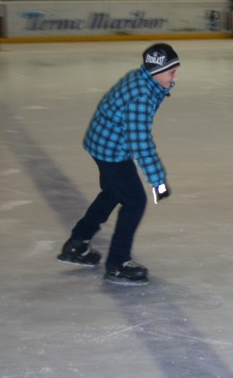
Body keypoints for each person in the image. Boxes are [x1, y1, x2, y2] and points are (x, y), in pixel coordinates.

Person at [57, 43, 180, 286]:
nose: (174, 78)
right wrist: (157, 180)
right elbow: (140, 142)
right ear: (156, 71)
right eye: (171, 72)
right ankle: (117, 264)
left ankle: (77, 243)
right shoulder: (141, 97)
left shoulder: (144, 80)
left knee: (112, 193)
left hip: (103, 141)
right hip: (112, 150)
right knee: (135, 201)